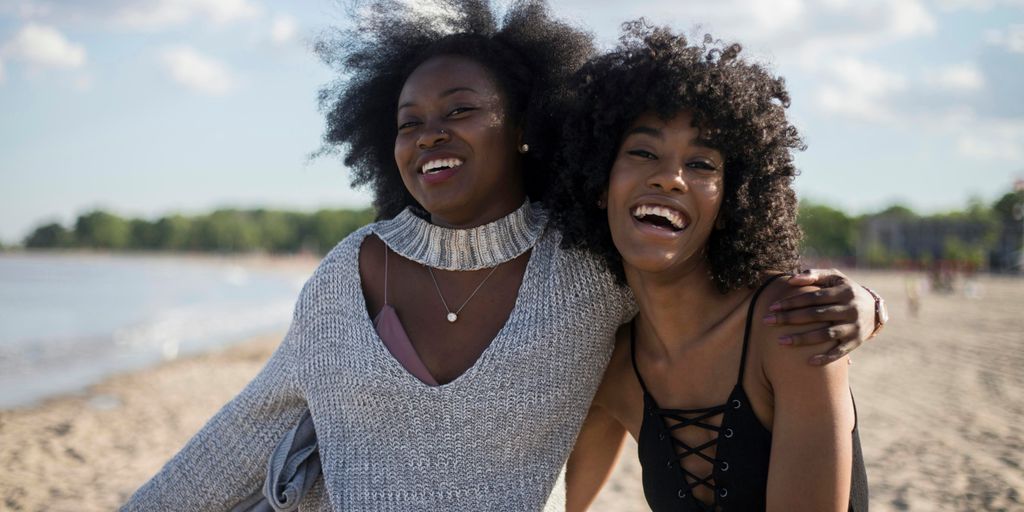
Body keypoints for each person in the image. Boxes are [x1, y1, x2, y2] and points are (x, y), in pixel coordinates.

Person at [124, 2, 881, 510]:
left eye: (461, 111)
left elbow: (704, 282)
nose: (431, 135)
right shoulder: (344, 278)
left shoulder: (587, 266)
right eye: (409, 121)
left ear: (525, 126)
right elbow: (240, 434)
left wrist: (867, 305)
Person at [553, 23, 870, 511]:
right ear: (598, 182)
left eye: (701, 164)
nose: (670, 178)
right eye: (642, 151)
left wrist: (871, 304)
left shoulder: (791, 324)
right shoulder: (613, 366)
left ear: (732, 201)